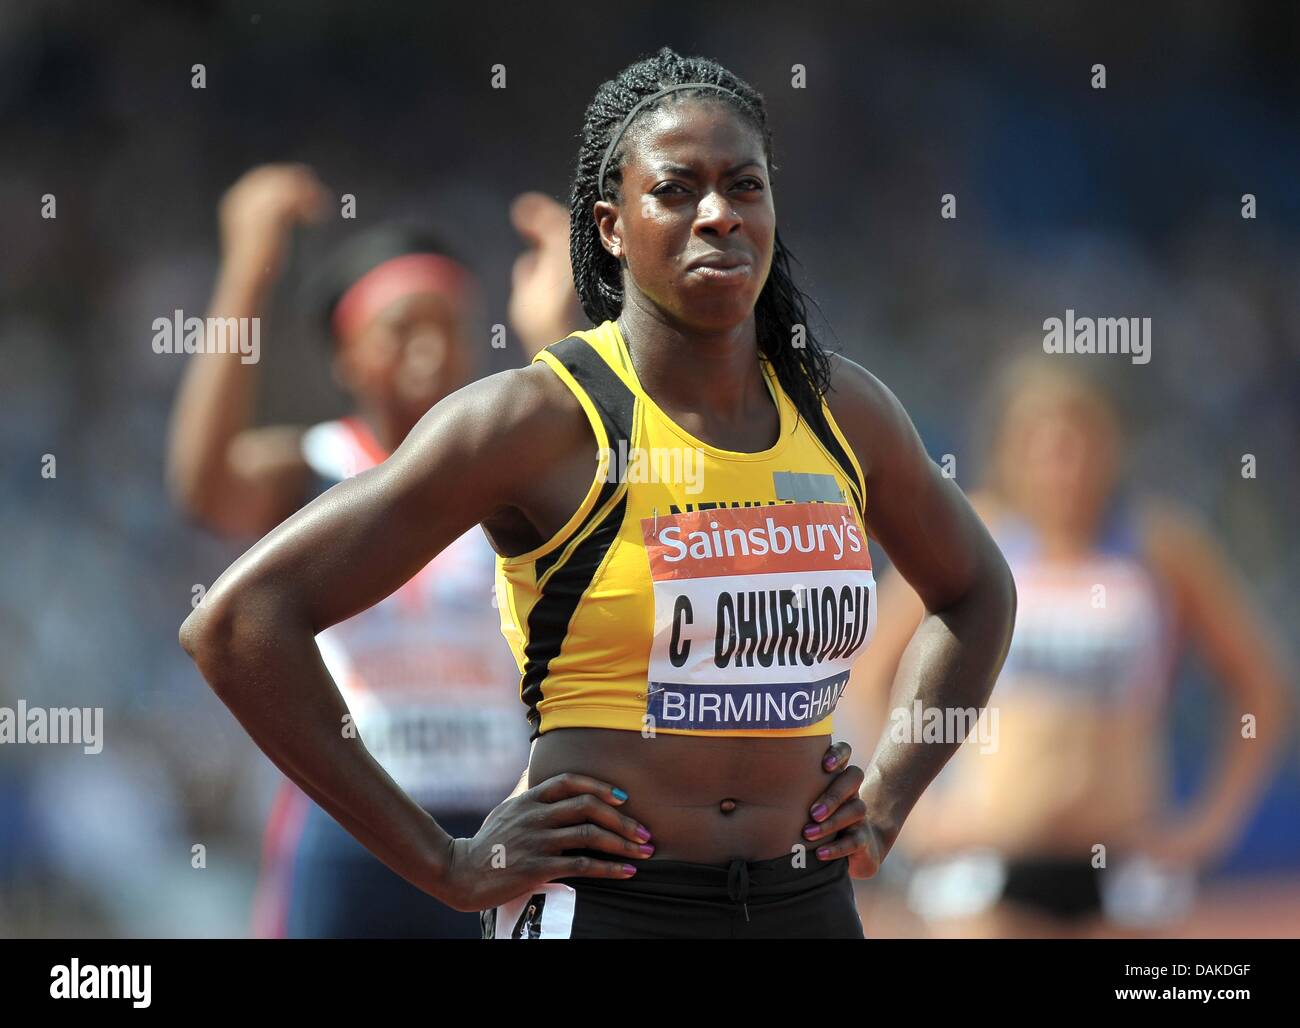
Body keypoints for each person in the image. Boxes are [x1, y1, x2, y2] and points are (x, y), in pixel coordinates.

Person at [179, 48, 1016, 940]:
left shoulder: (844, 409)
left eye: (745, 187)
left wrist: (887, 799)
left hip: (804, 903)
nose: (719, 216)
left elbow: (975, 591)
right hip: (609, 907)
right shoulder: (535, 421)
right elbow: (238, 624)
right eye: (676, 190)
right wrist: (445, 862)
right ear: (611, 226)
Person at [166, 165, 575, 936]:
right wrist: (248, 271)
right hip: (350, 821)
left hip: (497, 820)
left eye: (449, 324)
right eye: (402, 329)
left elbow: (602, 484)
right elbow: (205, 485)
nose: (430, 348)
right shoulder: (313, 469)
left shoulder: (505, 468)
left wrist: (558, 332)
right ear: (347, 358)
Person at [845, 357, 1291, 938]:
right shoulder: (973, 535)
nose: (1065, 465)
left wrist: (1214, 823)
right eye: (1045, 445)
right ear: (1010, 449)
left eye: (1081, 442)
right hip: (988, 862)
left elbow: (1260, 684)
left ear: (1112, 446)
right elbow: (865, 669)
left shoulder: (1160, 547)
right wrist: (908, 808)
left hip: (1127, 868)